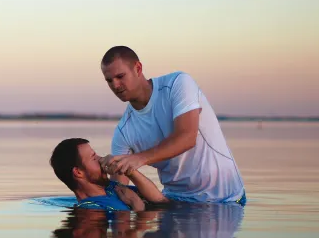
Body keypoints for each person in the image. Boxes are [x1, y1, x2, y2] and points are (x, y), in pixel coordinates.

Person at [100, 45, 246, 205]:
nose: (115, 85)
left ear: (138, 68)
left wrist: (139, 158)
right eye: (109, 80)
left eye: (120, 76)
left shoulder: (178, 84)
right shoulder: (123, 132)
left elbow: (187, 137)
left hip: (225, 201)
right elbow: (119, 188)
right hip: (174, 203)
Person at [49, 138, 168, 212]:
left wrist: (129, 170)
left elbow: (160, 200)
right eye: (94, 158)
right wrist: (137, 206)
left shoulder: (112, 188)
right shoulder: (91, 209)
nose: (101, 159)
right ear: (78, 172)